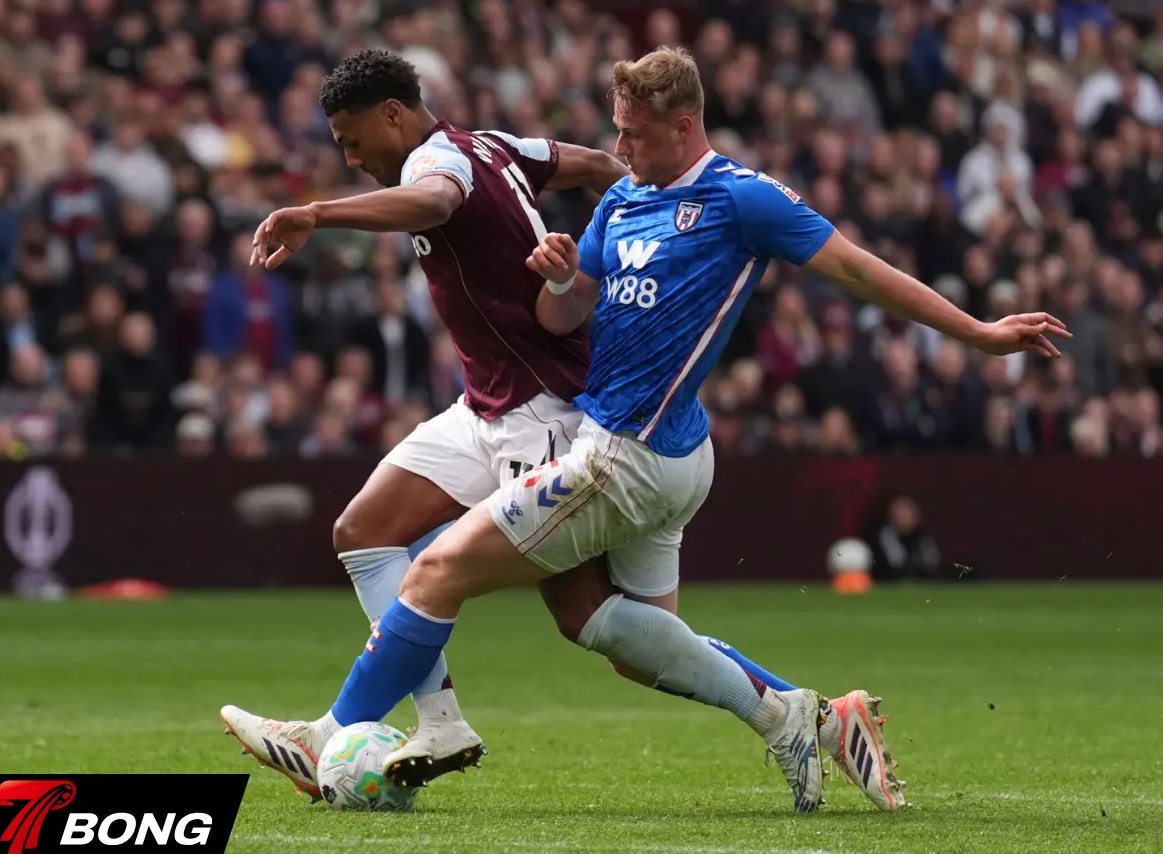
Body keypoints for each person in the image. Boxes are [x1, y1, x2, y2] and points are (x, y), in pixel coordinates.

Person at [243, 46, 1072, 813]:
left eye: (635, 133)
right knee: (624, 637)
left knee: (438, 573)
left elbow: (857, 268)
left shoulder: (740, 198)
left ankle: (330, 739)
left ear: (684, 126)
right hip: (651, 447)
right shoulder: (621, 200)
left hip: (619, 456)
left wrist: (979, 333)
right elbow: (566, 309)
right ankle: (808, 717)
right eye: (616, 129)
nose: (621, 146)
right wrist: (564, 275)